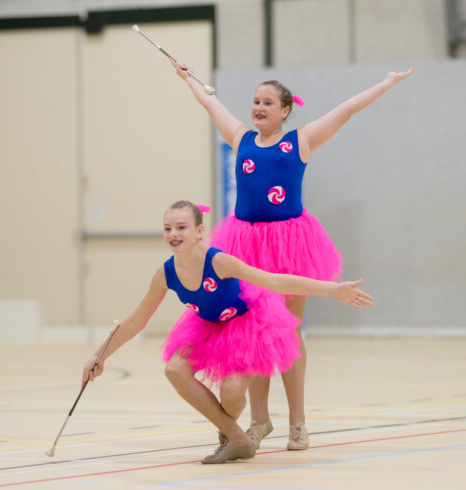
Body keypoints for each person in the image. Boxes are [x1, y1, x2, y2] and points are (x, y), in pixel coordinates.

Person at [169, 59, 415, 450]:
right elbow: (210, 103)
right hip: (243, 242)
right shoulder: (240, 138)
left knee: (289, 331)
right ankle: (260, 420)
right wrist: (187, 79)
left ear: (285, 110)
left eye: (268, 103)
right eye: (255, 101)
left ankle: (298, 423)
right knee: (252, 331)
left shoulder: (300, 140)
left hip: (290, 245)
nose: (258, 108)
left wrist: (386, 83)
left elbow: (347, 109)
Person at [82, 200, 373, 464]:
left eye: (182, 227)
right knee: (174, 369)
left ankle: (234, 435)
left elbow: (275, 281)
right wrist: (99, 356)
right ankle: (237, 439)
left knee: (232, 393)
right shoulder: (166, 273)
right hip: (208, 326)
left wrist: (333, 289)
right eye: (168, 228)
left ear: (199, 231)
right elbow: (136, 320)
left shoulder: (218, 261)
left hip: (249, 323)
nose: (174, 233)